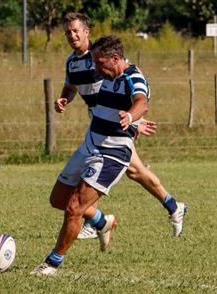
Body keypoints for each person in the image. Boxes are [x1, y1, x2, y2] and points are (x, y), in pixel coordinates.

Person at [51, 12, 187, 241]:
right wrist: (64, 98)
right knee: (135, 171)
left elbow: (129, 83)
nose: (72, 35)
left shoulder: (101, 55)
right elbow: (71, 87)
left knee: (111, 169)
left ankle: (97, 221)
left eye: (76, 30)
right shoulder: (71, 63)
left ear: (87, 32)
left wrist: (135, 120)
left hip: (117, 125)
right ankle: (173, 206)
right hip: (100, 124)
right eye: (68, 32)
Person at [31, 35, 154, 276]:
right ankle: (102, 222)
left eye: (99, 63)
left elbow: (141, 102)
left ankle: (52, 263)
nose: (95, 68)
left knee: (75, 207)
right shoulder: (107, 75)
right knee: (58, 200)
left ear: (115, 58)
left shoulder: (133, 78)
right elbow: (87, 94)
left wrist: (131, 117)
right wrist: (65, 96)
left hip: (112, 154)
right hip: (89, 145)